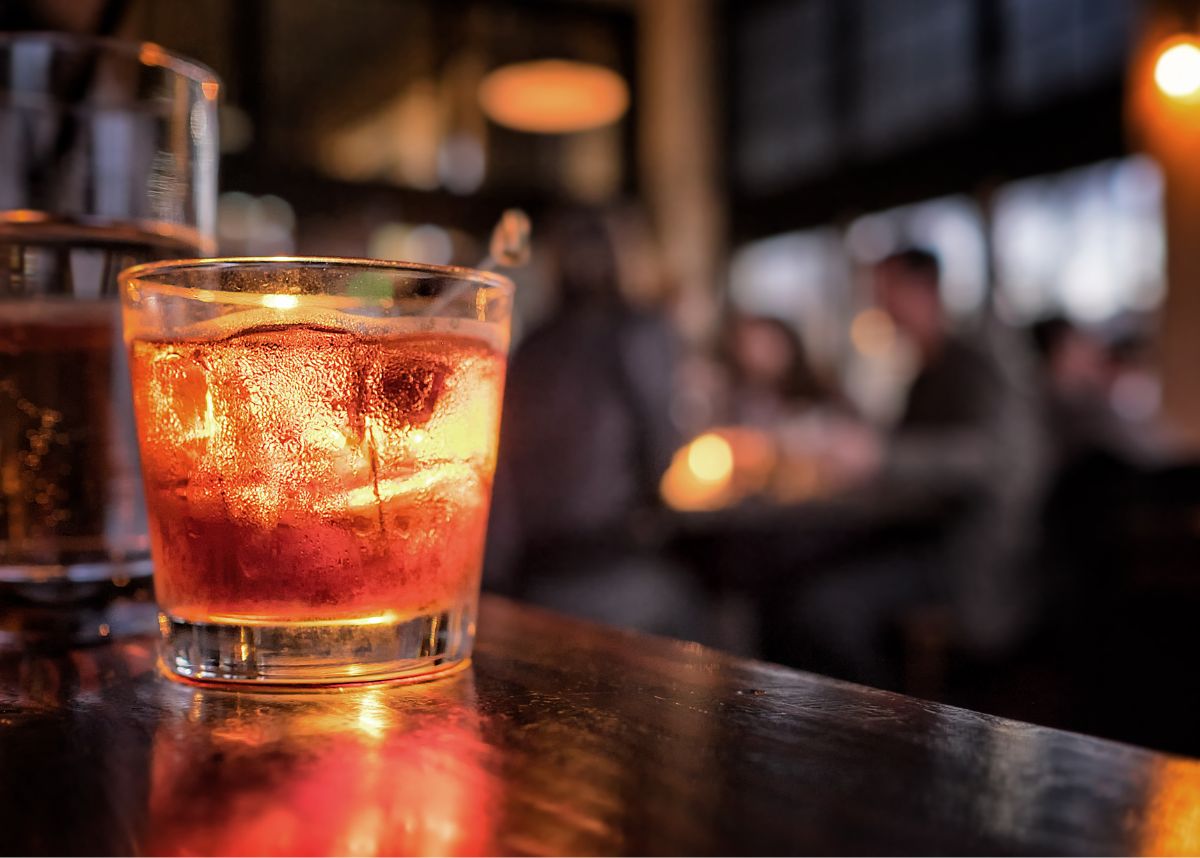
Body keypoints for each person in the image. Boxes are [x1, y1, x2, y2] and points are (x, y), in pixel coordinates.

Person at [783, 248, 1049, 688]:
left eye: (886, 293)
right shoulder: (927, 373)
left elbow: (1000, 458)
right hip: (925, 539)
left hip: (979, 558)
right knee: (802, 576)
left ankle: (889, 728)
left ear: (924, 289)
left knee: (824, 608)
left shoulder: (978, 354)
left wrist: (880, 456)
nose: (879, 308)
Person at [484, 207, 706, 639]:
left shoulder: (531, 347)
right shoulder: (638, 330)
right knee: (709, 623)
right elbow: (661, 450)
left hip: (529, 578)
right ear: (626, 257)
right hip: (610, 569)